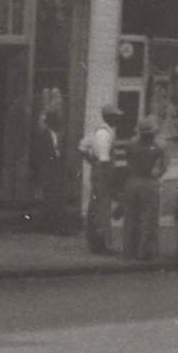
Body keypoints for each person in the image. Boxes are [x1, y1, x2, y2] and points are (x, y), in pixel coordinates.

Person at [78, 104, 122, 253]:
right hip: (103, 173)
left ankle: (95, 241)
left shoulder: (98, 131)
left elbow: (82, 148)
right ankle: (100, 242)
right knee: (102, 208)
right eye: (116, 116)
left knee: (96, 206)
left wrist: (91, 161)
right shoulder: (104, 134)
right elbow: (104, 159)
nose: (118, 119)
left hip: (98, 172)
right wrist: (109, 178)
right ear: (109, 117)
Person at [122, 119, 166, 260]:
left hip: (132, 180)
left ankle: (129, 250)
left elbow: (128, 160)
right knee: (149, 217)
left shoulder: (131, 145)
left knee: (131, 217)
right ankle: (146, 251)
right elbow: (161, 168)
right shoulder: (158, 148)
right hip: (149, 182)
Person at [29, 110, 71, 234]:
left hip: (56, 171)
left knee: (55, 198)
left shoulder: (57, 135)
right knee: (48, 198)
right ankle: (48, 225)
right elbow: (39, 155)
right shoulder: (43, 136)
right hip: (47, 171)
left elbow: (59, 152)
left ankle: (54, 225)